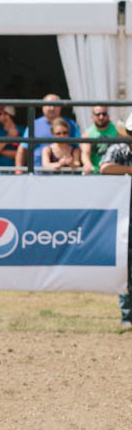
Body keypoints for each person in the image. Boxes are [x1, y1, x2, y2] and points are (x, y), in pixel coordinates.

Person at [98, 119, 132, 330]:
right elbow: (104, 168)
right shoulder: (118, 149)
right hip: (126, 214)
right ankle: (127, 315)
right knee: (126, 265)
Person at [31, 94, 80, 170]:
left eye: (65, 132)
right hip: (44, 177)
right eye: (58, 133)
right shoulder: (47, 149)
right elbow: (45, 165)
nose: (62, 136)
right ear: (52, 133)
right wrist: (60, 164)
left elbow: (77, 163)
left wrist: (71, 163)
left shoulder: (75, 149)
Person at [81, 106, 119, 174]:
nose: (101, 117)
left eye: (104, 114)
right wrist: (89, 166)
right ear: (92, 117)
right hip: (94, 173)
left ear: (108, 116)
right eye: (98, 114)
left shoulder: (117, 131)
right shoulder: (87, 134)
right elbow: (85, 153)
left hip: (112, 173)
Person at [0, 105, 27, 170]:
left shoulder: (23, 131)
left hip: (16, 172)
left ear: (7, 115)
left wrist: (0, 151)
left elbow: (23, 155)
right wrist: (8, 138)